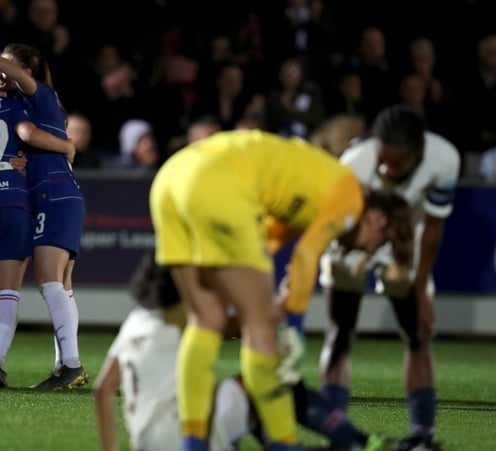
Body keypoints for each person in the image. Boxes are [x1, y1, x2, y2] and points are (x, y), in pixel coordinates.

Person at [149, 128, 413, 450]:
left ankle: (192, 442)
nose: (366, 250)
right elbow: (306, 254)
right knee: (260, 329)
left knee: (206, 319)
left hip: (172, 177)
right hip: (219, 183)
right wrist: (295, 327)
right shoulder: (351, 198)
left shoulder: (316, 187)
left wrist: (265, 291)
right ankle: (284, 443)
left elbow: (269, 239)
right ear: (378, 219)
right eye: (378, 242)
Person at [92, 252, 391, 451]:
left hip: (146, 442)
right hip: (185, 435)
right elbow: (242, 322)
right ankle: (358, 442)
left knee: (248, 392)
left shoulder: (138, 320)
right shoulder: (183, 317)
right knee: (265, 380)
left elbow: (102, 389)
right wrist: (287, 299)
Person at [318, 105, 459, 451]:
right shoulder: (353, 164)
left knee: (418, 335)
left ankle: (422, 435)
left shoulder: (444, 160)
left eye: (396, 164)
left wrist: (422, 287)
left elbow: (433, 228)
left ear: (418, 153)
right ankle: (337, 431)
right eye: (382, 159)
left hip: (405, 241)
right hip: (354, 239)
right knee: (339, 333)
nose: (385, 168)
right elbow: (334, 225)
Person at [0, 43, 87, 390]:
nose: (0, 72)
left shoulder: (38, 96)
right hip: (51, 194)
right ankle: (65, 365)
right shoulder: (18, 106)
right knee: (61, 285)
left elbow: (26, 133)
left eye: (8, 67)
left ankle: (70, 364)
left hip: (53, 195)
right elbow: (21, 137)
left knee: (49, 281)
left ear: (25, 71)